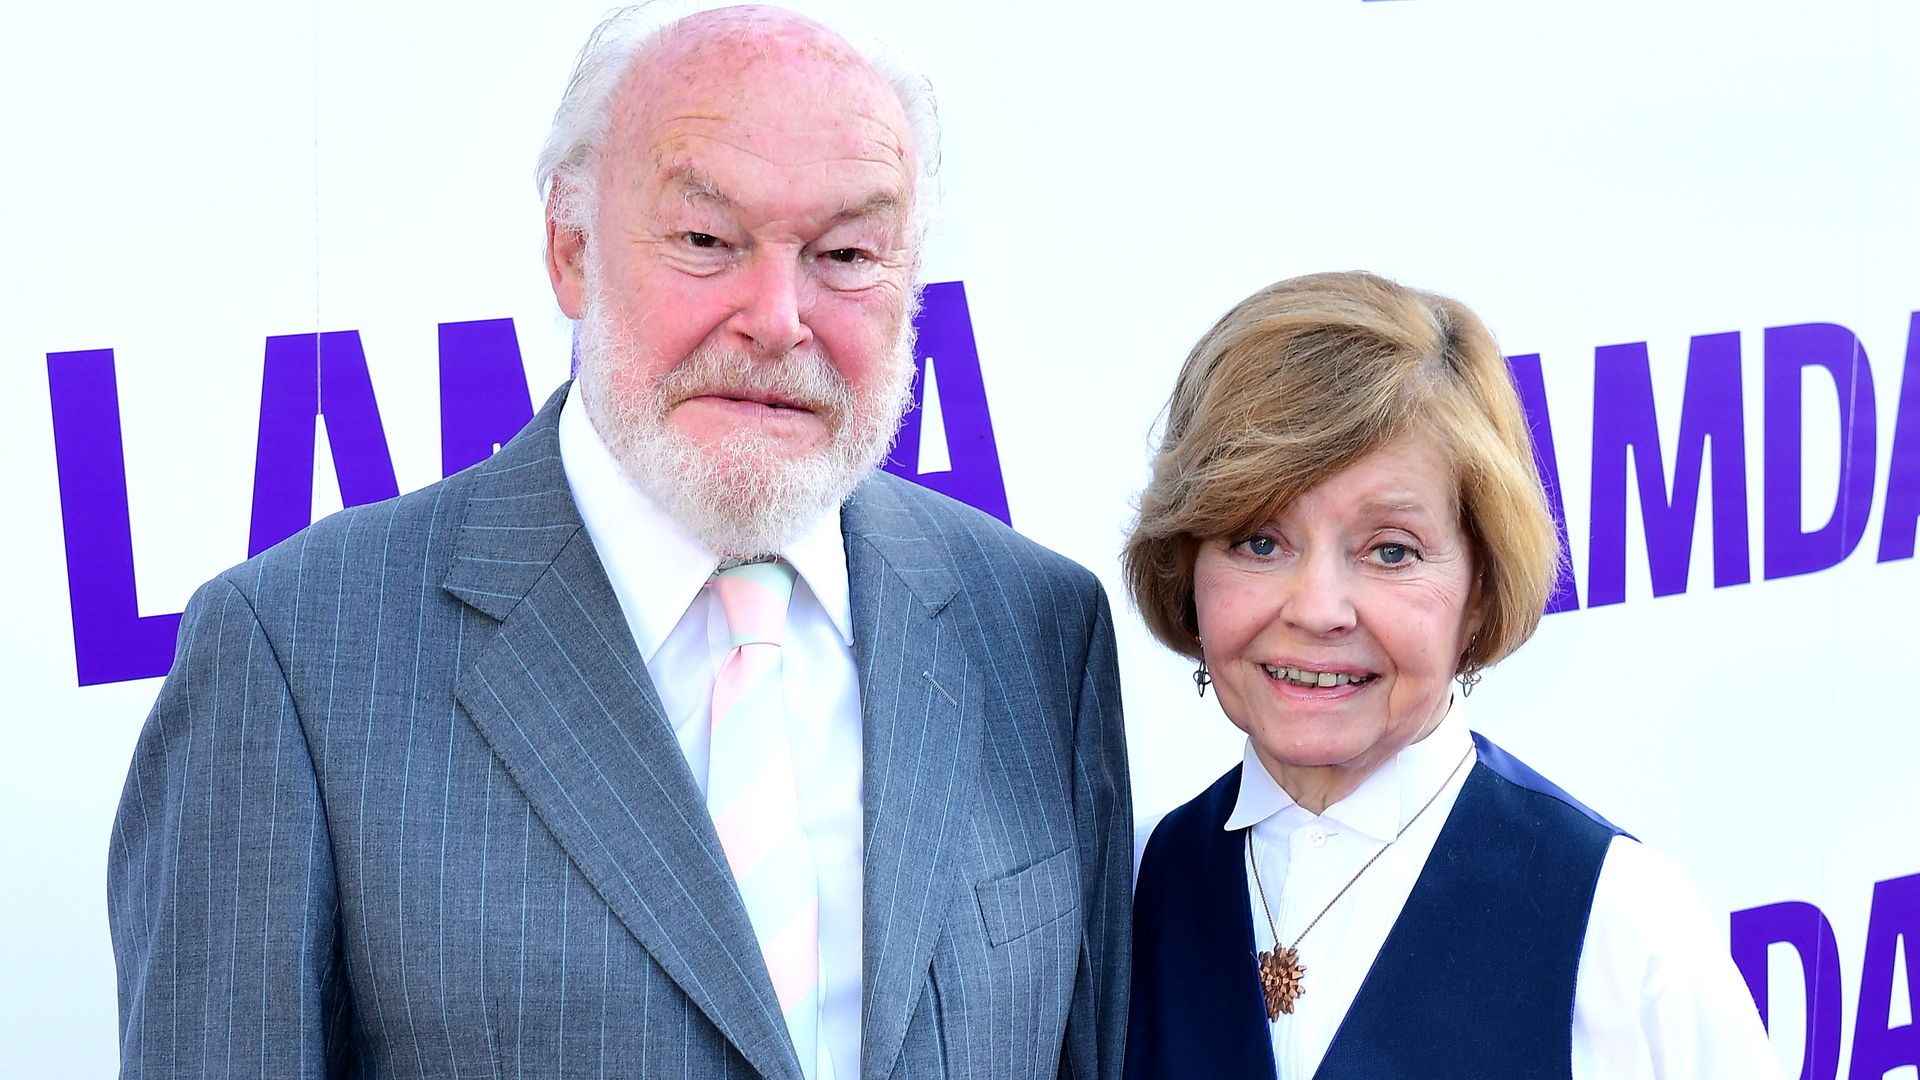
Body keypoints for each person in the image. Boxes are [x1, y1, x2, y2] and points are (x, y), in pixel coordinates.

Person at [105, 6, 1130, 1078]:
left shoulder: (1039, 630)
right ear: (570, 250)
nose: (778, 316)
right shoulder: (296, 658)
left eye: (845, 253)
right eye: (704, 240)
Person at [1120, 271, 1780, 1078]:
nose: (1319, 608)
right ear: (1187, 571)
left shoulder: (1621, 926)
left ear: (1480, 589)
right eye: (1260, 542)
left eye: (1391, 550)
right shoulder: (1131, 889)